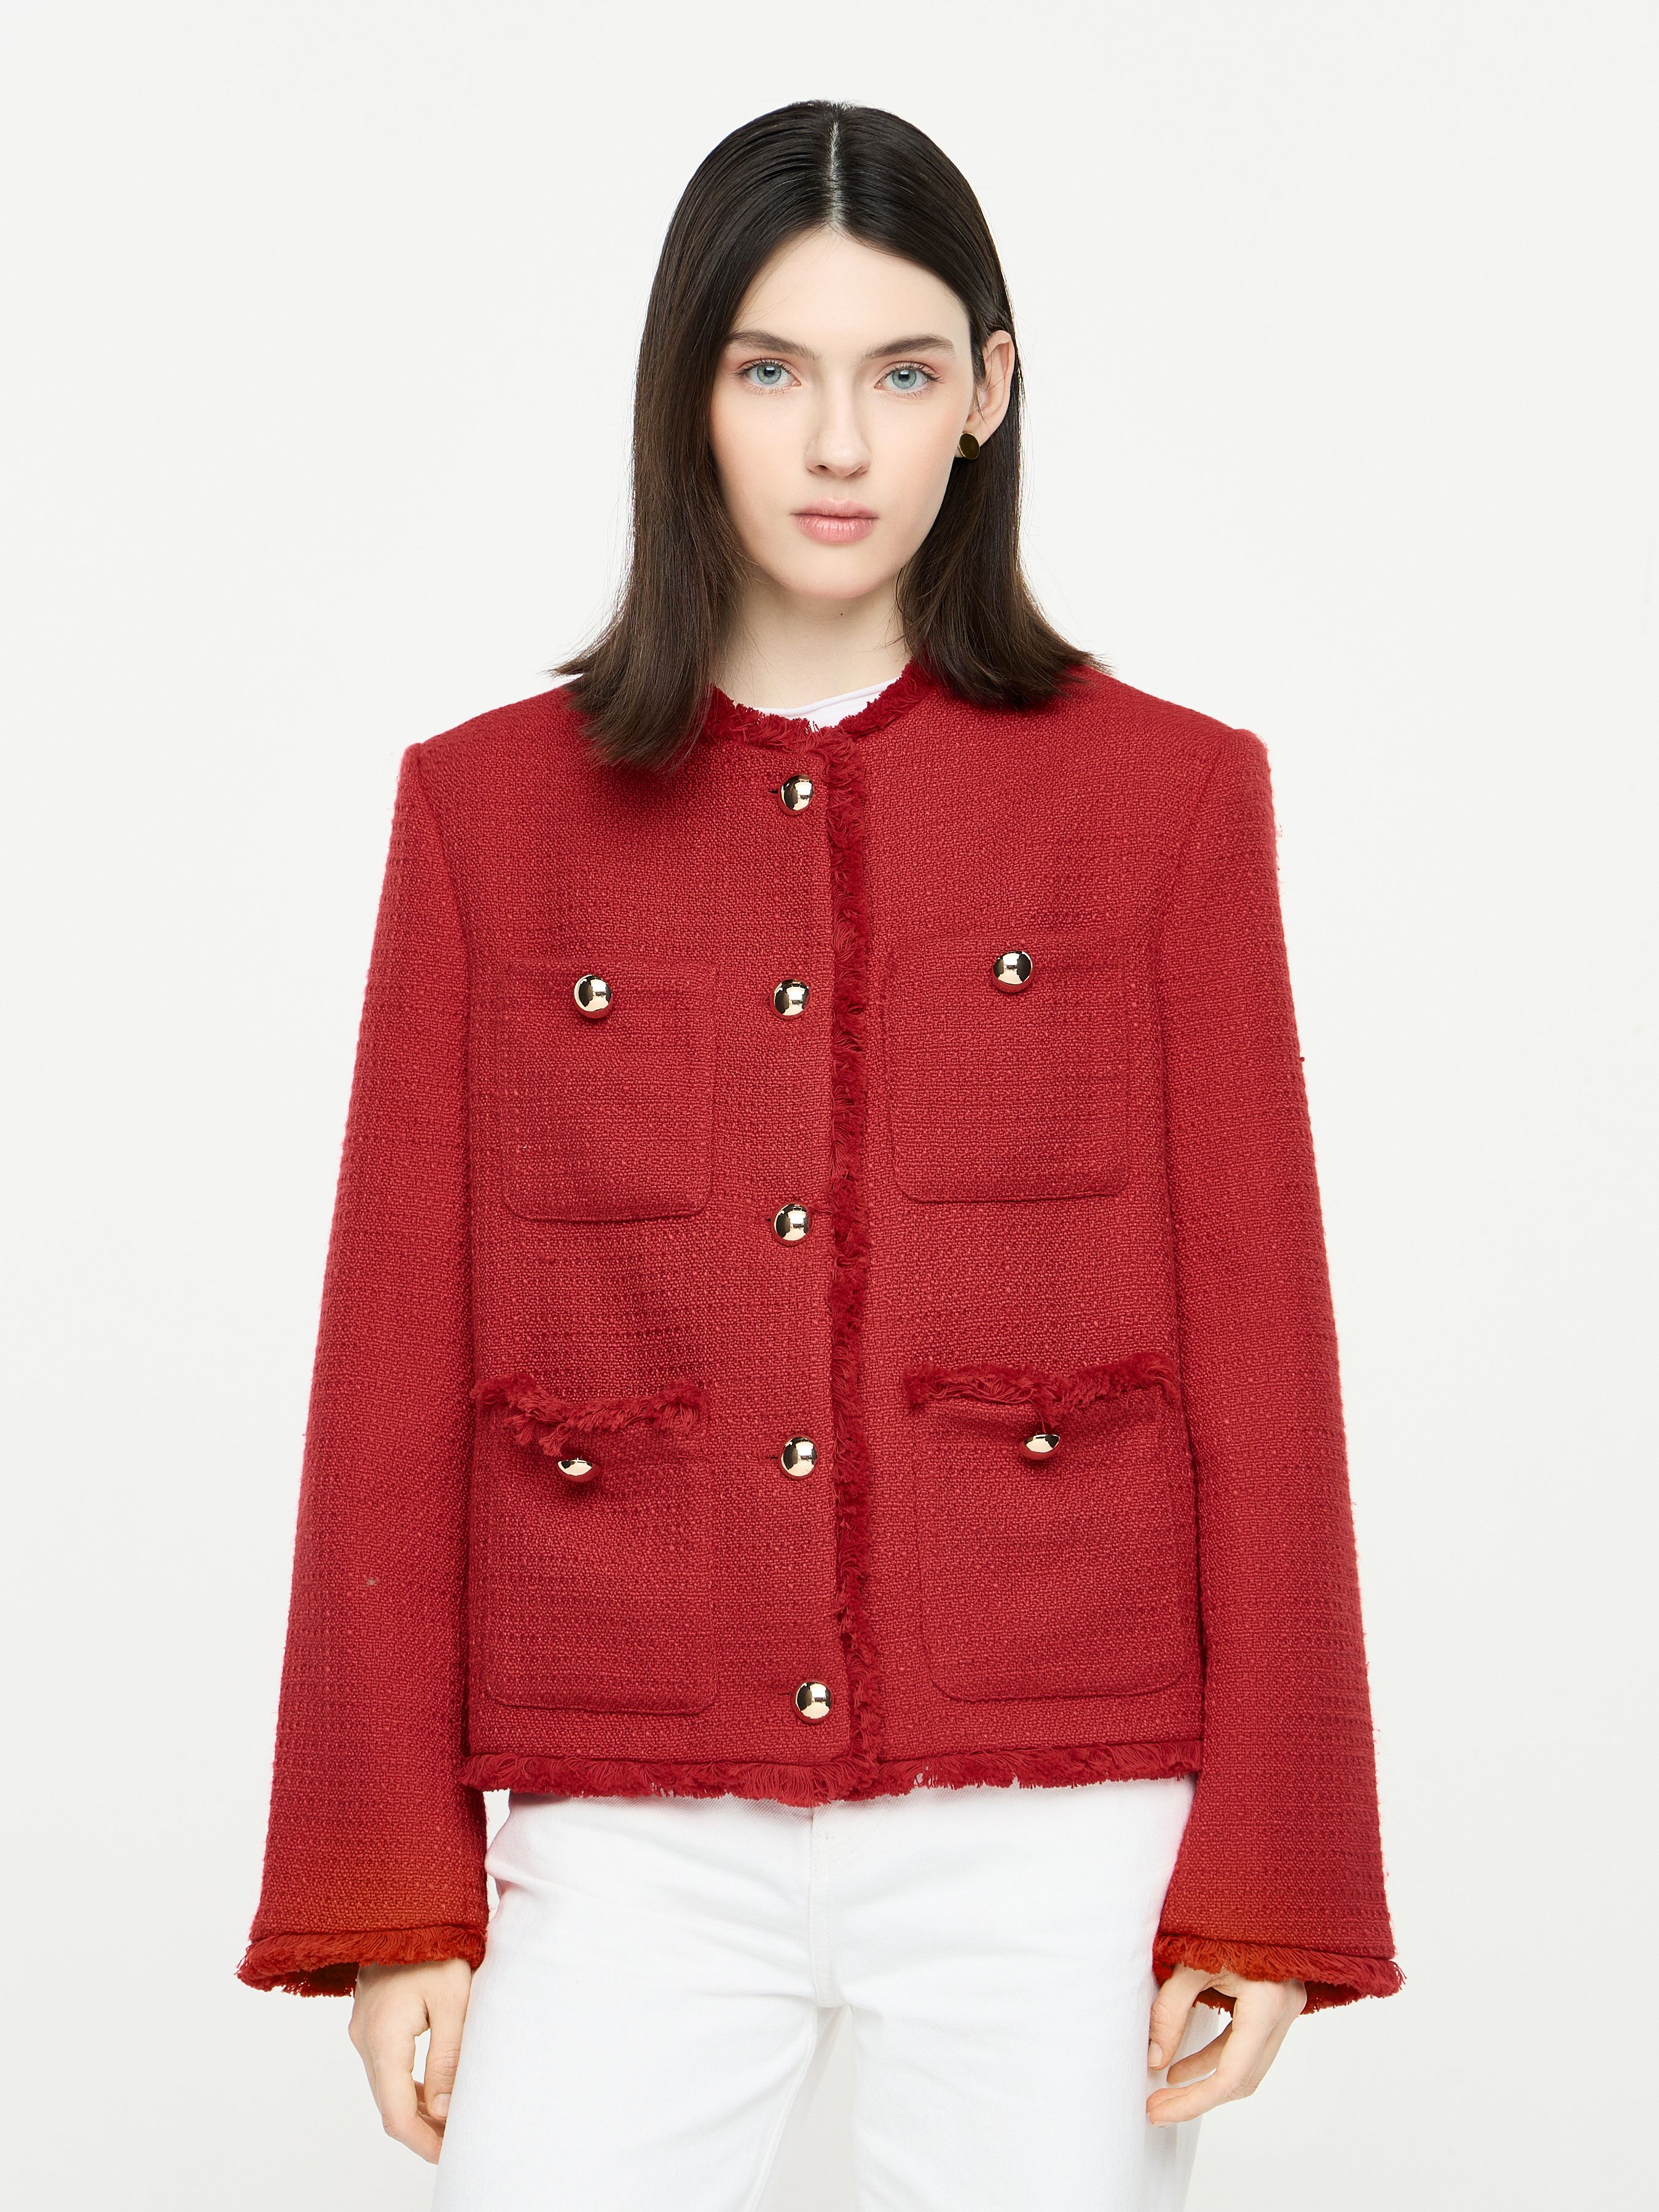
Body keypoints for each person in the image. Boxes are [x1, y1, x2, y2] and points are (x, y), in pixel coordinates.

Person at [238, 99, 1402, 2211]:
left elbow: (1263, 1354)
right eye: (771, 369)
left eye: (903, 372)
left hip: (1056, 1828)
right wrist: (395, 1885)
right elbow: (392, 1360)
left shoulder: (1164, 804)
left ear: (990, 392)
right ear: (685, 393)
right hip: (628, 1813)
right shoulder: (487, 817)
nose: (838, 444)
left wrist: (1273, 1867)